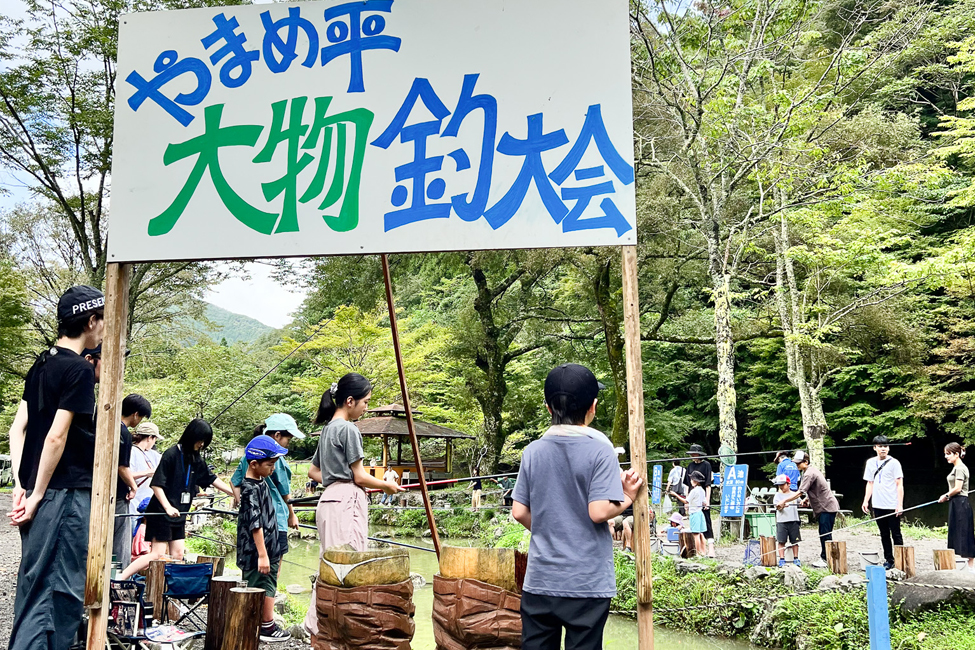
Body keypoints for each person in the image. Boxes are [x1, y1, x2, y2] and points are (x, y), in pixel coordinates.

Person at [511, 363, 642, 650]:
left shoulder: (532, 451)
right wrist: (627, 496)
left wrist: (551, 529)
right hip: (586, 582)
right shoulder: (601, 449)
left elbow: (519, 511)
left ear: (548, 408)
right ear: (592, 406)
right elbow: (598, 511)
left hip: (541, 580)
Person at [7, 285, 104, 650]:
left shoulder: (42, 364)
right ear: (91, 321)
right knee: (57, 595)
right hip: (63, 495)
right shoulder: (79, 369)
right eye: (103, 321)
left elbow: (17, 429)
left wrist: (22, 484)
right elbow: (55, 437)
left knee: (34, 589)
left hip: (42, 492)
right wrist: (36, 493)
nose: (104, 329)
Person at [303, 373, 404, 637]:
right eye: (365, 402)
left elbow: (313, 472)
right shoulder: (348, 429)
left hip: (328, 500)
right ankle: (341, 629)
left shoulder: (327, 429)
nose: (366, 408)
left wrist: (333, 479)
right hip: (347, 501)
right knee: (350, 564)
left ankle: (318, 625)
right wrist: (386, 485)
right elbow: (359, 476)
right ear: (350, 401)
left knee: (329, 563)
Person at [118, 419, 235, 579]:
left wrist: (232, 493)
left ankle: (170, 589)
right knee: (157, 554)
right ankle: (121, 578)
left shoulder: (196, 459)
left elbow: (211, 478)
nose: (201, 444)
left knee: (178, 554)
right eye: (200, 440)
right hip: (161, 512)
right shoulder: (171, 454)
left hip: (179, 514)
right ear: (192, 436)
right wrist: (167, 507)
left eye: (204, 442)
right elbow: (156, 485)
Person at [232, 414, 304, 572]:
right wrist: (292, 514)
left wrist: (242, 505)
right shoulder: (276, 460)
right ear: (277, 435)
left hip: (252, 525)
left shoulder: (248, 456)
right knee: (272, 570)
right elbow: (284, 490)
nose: (288, 444)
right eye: (288, 439)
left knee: (254, 569)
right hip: (276, 520)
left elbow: (234, 482)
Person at [237, 435, 292, 642]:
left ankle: (259, 624)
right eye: (270, 464)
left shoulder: (261, 481)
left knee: (268, 584)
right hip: (257, 552)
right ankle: (264, 626)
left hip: (271, 547)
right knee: (258, 585)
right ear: (254, 464)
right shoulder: (249, 489)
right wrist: (262, 554)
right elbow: (255, 524)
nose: (272, 468)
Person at [780, 450, 839, 567]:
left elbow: (800, 492)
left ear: (806, 462)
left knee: (825, 534)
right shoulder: (810, 471)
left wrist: (784, 501)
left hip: (826, 507)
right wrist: (807, 499)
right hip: (826, 507)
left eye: (798, 463)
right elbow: (816, 489)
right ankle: (828, 558)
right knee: (824, 533)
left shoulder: (809, 474)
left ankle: (826, 559)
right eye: (795, 463)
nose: (796, 465)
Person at [113, 394, 151, 572]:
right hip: (119, 495)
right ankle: (120, 577)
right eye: (141, 417)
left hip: (101, 493)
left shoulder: (108, 427)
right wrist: (133, 487)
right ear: (135, 414)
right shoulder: (124, 433)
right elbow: (122, 466)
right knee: (121, 541)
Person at [862, 435, 904, 570]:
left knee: (896, 533)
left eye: (885, 446)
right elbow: (870, 483)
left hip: (892, 504)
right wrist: (866, 501)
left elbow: (899, 484)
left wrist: (899, 505)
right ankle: (889, 560)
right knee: (884, 534)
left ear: (889, 448)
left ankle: (901, 560)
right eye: (880, 446)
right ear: (875, 448)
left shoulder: (894, 463)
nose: (883, 449)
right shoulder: (870, 463)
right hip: (877, 504)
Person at [939, 442, 975, 572]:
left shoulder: (960, 468)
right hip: (955, 503)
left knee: (964, 533)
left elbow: (958, 488)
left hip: (961, 503)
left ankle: (970, 567)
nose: (946, 457)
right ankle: (963, 565)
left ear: (956, 454)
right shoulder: (956, 468)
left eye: (948, 454)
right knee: (957, 533)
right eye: (945, 454)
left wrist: (945, 496)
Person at [683, 444, 715, 557]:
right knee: (695, 527)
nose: (692, 456)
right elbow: (687, 484)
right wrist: (686, 501)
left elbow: (708, 484)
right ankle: (699, 550)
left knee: (707, 523)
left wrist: (707, 500)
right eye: (691, 454)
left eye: (694, 454)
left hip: (702, 498)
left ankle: (711, 548)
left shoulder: (706, 465)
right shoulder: (690, 466)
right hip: (692, 499)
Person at [129, 421, 163, 514]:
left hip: (149, 501)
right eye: (155, 439)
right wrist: (146, 473)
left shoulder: (154, 454)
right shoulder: (132, 452)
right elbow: (126, 474)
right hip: (134, 500)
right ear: (149, 438)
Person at [772, 474, 801, 567]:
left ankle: (796, 558)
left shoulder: (794, 494)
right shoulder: (777, 495)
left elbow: (800, 503)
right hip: (782, 521)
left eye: (783, 484)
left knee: (795, 541)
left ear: (788, 484)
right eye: (779, 485)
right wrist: (782, 505)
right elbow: (777, 507)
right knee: (781, 541)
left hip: (794, 520)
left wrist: (804, 502)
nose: (781, 487)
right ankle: (781, 559)